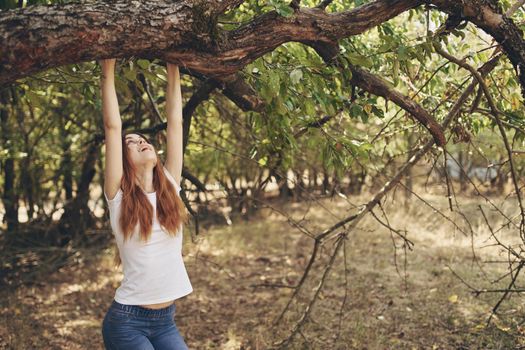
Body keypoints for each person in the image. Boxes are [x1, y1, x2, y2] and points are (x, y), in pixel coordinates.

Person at [99, 58, 192, 350]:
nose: (141, 142)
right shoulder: (119, 196)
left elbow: (175, 122)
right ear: (122, 161)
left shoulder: (170, 186)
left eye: (142, 139)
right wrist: (107, 68)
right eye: (132, 143)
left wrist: (174, 65)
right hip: (127, 322)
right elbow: (113, 127)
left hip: (165, 321)